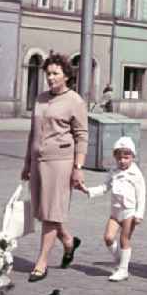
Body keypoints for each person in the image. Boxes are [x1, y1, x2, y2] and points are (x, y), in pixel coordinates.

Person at [20, 53, 88, 282]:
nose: (50, 78)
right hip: (38, 161)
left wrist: (78, 167)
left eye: (55, 73)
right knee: (44, 210)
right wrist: (27, 162)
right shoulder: (40, 99)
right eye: (48, 73)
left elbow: (81, 135)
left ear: (66, 76)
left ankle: (41, 262)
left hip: (61, 162)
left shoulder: (75, 101)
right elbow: (33, 132)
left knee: (51, 212)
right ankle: (68, 241)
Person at [82, 136, 145, 282]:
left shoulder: (136, 174)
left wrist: (139, 213)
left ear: (133, 157)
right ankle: (121, 259)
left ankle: (123, 270)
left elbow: (141, 195)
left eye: (126, 157)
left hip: (129, 212)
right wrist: (88, 191)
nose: (122, 161)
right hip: (115, 212)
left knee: (124, 239)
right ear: (115, 158)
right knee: (108, 238)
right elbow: (105, 187)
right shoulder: (113, 172)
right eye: (119, 158)